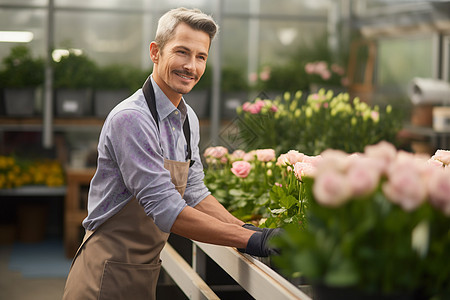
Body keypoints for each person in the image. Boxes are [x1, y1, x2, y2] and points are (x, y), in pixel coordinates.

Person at [63, 7, 280, 300]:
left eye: (201, 56)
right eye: (182, 52)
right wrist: (254, 240)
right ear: (155, 52)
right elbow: (165, 208)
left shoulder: (186, 118)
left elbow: (194, 191)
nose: (191, 66)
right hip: (104, 275)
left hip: (143, 272)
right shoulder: (132, 119)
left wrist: (244, 228)